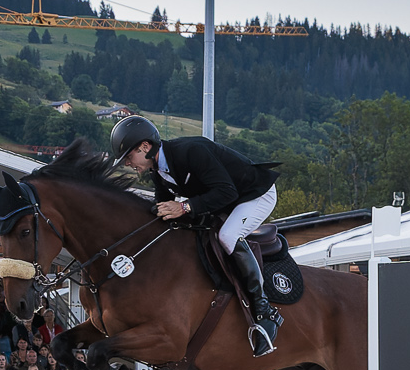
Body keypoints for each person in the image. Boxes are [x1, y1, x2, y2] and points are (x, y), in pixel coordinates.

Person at [108, 115, 286, 356]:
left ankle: (265, 311)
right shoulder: (159, 173)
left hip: (254, 195)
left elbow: (226, 191)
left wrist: (183, 207)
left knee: (228, 236)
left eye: (129, 157)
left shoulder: (191, 151)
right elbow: (163, 207)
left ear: (145, 147)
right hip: (226, 201)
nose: (128, 163)